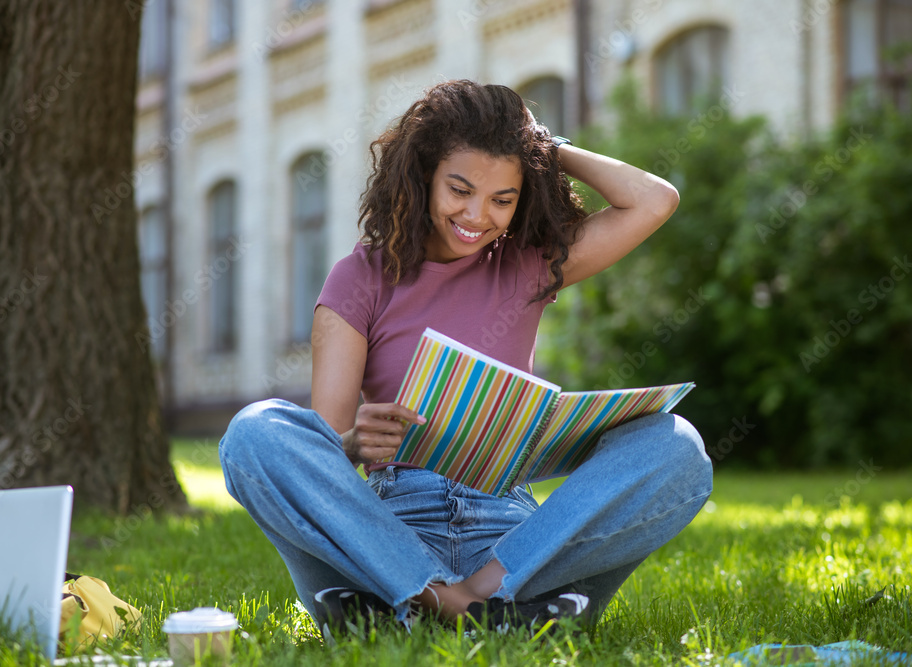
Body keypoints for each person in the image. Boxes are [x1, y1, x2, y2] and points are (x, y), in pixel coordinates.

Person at [220, 80, 712, 640]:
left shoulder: (528, 264)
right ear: (423, 173)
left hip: (510, 539)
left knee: (679, 447)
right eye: (460, 189)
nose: (478, 216)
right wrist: (355, 442)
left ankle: (449, 602)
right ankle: (465, 604)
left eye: (503, 199)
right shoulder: (359, 278)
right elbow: (325, 461)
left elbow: (654, 200)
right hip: (388, 531)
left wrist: (542, 149)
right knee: (254, 432)